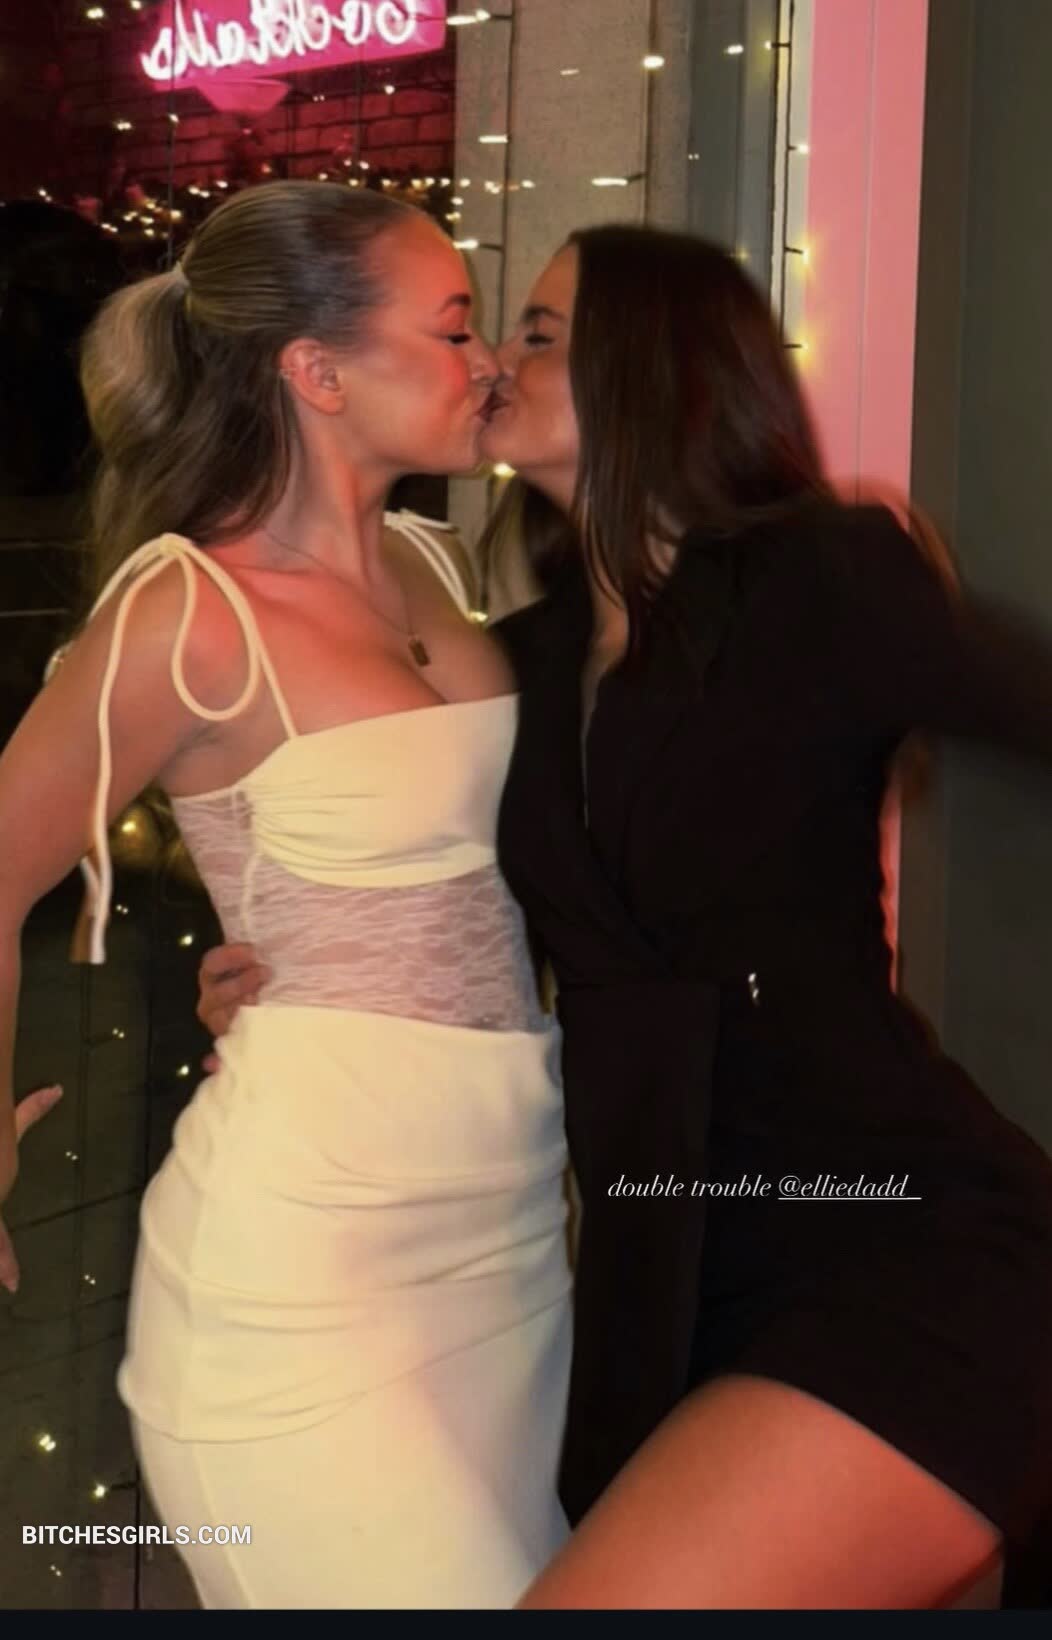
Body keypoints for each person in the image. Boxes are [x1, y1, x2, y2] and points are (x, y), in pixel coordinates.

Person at [202, 224, 1052, 1609]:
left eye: (538, 332)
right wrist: (284, 971)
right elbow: (438, 918)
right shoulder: (510, 668)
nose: (494, 360)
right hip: (658, 1296)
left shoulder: (822, 575)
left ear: (654, 365)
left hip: (898, 1247)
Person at [0, 181, 572, 1609]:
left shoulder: (435, 565)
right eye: (452, 328)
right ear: (317, 371)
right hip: (304, 1270)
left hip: (507, 1233)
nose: (485, 361)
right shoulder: (189, 611)